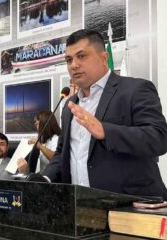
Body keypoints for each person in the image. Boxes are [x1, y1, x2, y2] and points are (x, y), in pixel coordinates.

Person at [42, 29, 167, 199]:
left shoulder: (136, 90)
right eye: (69, 59)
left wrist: (105, 131)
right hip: (80, 207)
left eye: (82, 56)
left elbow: (158, 138)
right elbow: (62, 152)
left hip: (130, 207)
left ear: (104, 58)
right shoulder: (70, 106)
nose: (73, 65)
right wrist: (43, 179)